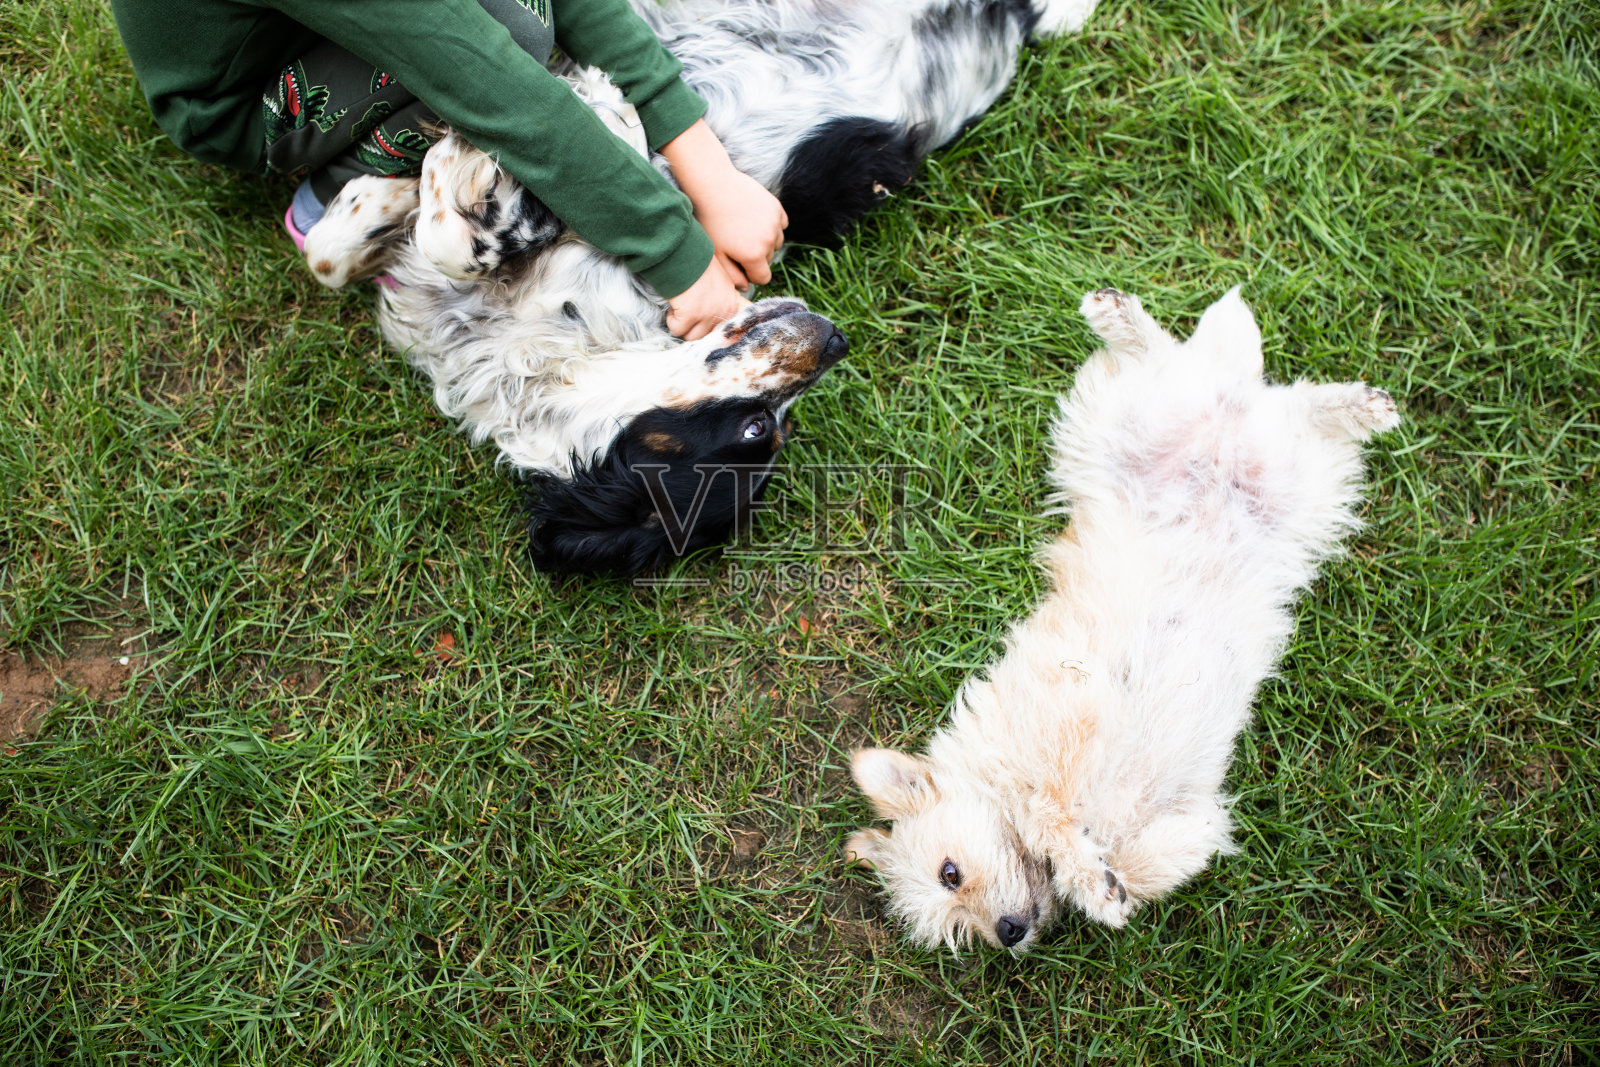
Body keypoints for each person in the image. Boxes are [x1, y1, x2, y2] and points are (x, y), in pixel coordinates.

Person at [108, 0, 787, 341]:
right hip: (247, 97)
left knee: (525, 15)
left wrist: (703, 163)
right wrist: (679, 257)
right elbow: (487, 82)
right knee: (517, 37)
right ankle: (339, 190)